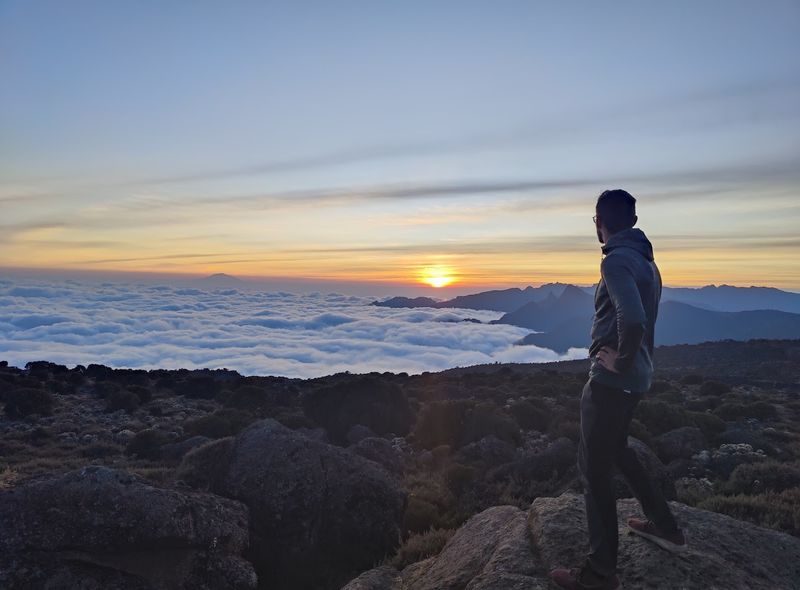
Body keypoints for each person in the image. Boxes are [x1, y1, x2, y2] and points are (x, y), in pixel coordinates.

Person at [549, 189, 686, 590]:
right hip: (638, 381)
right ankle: (666, 527)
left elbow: (634, 320)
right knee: (621, 451)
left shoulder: (615, 263)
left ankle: (600, 573)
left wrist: (618, 362)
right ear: (633, 220)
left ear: (599, 222)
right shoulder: (647, 261)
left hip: (612, 383)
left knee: (593, 470)